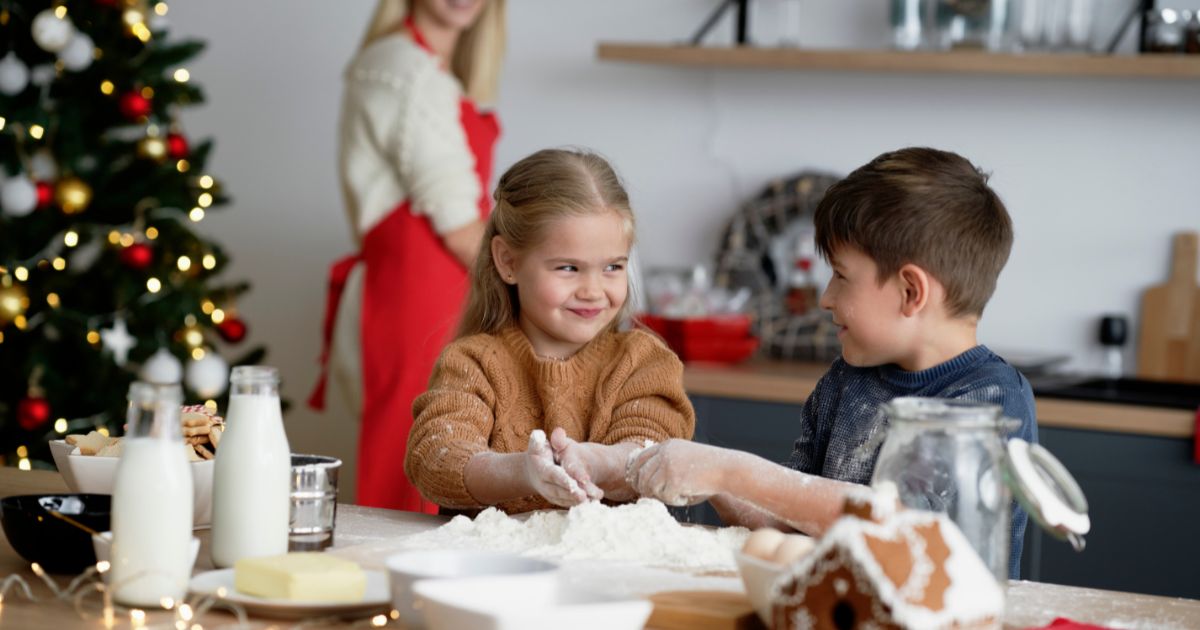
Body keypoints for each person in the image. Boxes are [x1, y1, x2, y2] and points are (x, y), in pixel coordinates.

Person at [627, 147, 1037, 578]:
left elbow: (906, 529)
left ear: (911, 292)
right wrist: (708, 477)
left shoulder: (990, 403)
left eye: (841, 276)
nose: (825, 298)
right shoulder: (846, 381)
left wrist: (731, 471)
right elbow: (788, 523)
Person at [404, 148, 696, 514]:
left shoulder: (645, 363)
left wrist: (594, 461)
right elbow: (436, 456)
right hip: (494, 568)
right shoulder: (472, 363)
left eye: (612, 267)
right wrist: (524, 471)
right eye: (568, 268)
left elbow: (653, 449)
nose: (592, 290)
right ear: (508, 262)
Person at [307, 0, 507, 512]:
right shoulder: (405, 68)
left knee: (442, 451)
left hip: (444, 289)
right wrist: (530, 282)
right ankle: (391, 589)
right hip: (418, 296)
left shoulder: (426, 71)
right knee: (416, 461)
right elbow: (461, 225)